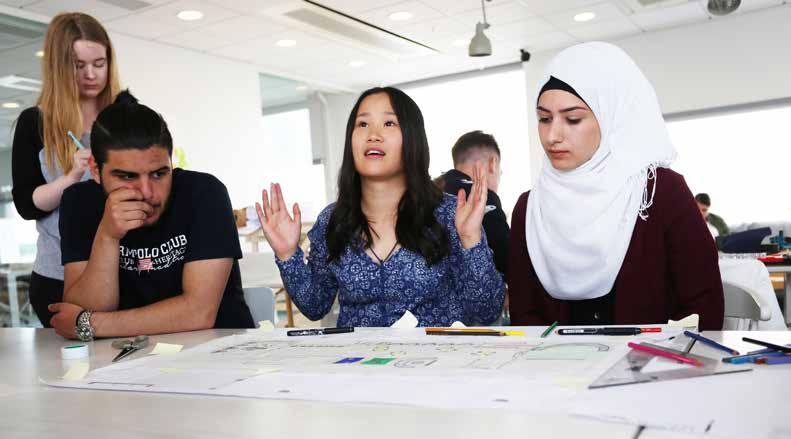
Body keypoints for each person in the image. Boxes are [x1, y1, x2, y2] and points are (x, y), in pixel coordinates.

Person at [507, 42, 724, 330]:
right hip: (557, 370)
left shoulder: (659, 193)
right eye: (544, 119)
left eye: (573, 119)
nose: (552, 136)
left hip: (653, 367)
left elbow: (703, 307)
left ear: (612, 119)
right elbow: (525, 314)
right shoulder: (530, 208)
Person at [257, 87, 504, 327]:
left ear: (412, 138)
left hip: (433, 365)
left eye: (389, 124)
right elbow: (315, 306)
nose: (373, 134)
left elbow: (486, 311)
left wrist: (471, 239)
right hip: (356, 364)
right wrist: (288, 255)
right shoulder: (334, 219)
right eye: (362, 124)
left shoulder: (449, 214)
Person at [49, 91, 254, 340]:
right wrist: (107, 236)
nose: (147, 193)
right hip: (119, 360)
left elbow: (199, 313)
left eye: (159, 174)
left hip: (219, 354)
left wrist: (92, 324)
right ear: (95, 169)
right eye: (127, 176)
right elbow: (85, 307)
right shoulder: (79, 202)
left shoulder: (205, 193)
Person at [11, 12, 121, 326]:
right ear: (59, 66)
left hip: (125, 270)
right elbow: (27, 206)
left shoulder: (124, 114)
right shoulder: (36, 123)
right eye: (78, 65)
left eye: (99, 63)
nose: (91, 74)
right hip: (57, 277)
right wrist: (70, 178)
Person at [436, 130, 509, 275]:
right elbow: (508, 260)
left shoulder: (432, 190)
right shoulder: (481, 196)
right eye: (500, 173)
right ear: (493, 163)